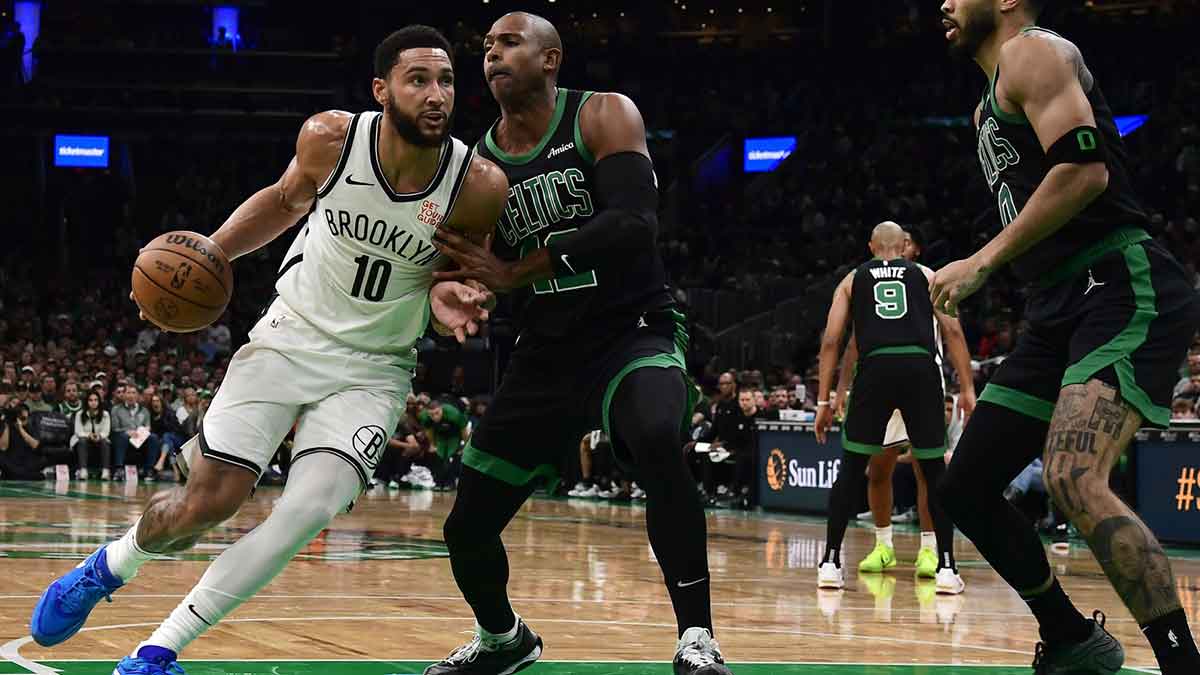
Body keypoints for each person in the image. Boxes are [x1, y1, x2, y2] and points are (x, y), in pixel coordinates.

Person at [30, 25, 504, 675]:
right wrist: (209, 254)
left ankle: (154, 651)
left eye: (446, 80)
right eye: (417, 78)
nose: (436, 94)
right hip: (290, 336)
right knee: (208, 504)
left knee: (305, 511)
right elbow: (284, 201)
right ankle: (111, 564)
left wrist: (454, 295)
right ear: (381, 89)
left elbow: (459, 273)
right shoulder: (332, 139)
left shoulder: (477, 183)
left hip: (375, 368)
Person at [427, 12, 731, 675]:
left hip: (632, 328)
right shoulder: (480, 165)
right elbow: (473, 262)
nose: (493, 56)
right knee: (465, 526)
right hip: (546, 352)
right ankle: (504, 638)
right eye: (486, 48)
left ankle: (697, 637)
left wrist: (519, 269)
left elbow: (632, 222)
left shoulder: (601, 115)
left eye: (509, 43)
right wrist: (463, 290)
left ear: (550, 59)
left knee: (654, 434)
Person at [932, 1, 1200, 673]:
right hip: (1055, 307)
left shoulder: (1034, 53)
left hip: (1118, 280)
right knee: (964, 486)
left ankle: (1181, 662)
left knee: (1073, 474)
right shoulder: (984, 106)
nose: (941, 2)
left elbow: (1085, 171)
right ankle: (1075, 639)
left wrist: (981, 262)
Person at [813, 222, 963, 595]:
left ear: (870, 245)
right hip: (919, 370)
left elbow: (833, 340)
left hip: (875, 369)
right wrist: (970, 387)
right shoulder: (928, 275)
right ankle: (945, 566)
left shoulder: (852, 279)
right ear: (905, 246)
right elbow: (954, 330)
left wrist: (825, 398)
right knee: (932, 468)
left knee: (851, 467)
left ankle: (830, 562)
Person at [74, 391, 112, 481]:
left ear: (99, 402)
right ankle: (83, 470)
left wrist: (99, 436)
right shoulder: (79, 414)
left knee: (105, 441)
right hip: (83, 439)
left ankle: (105, 471)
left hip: (99, 439)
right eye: (90, 400)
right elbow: (78, 431)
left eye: (96, 400)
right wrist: (89, 435)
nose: (93, 402)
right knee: (82, 440)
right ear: (87, 402)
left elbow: (106, 432)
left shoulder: (105, 414)